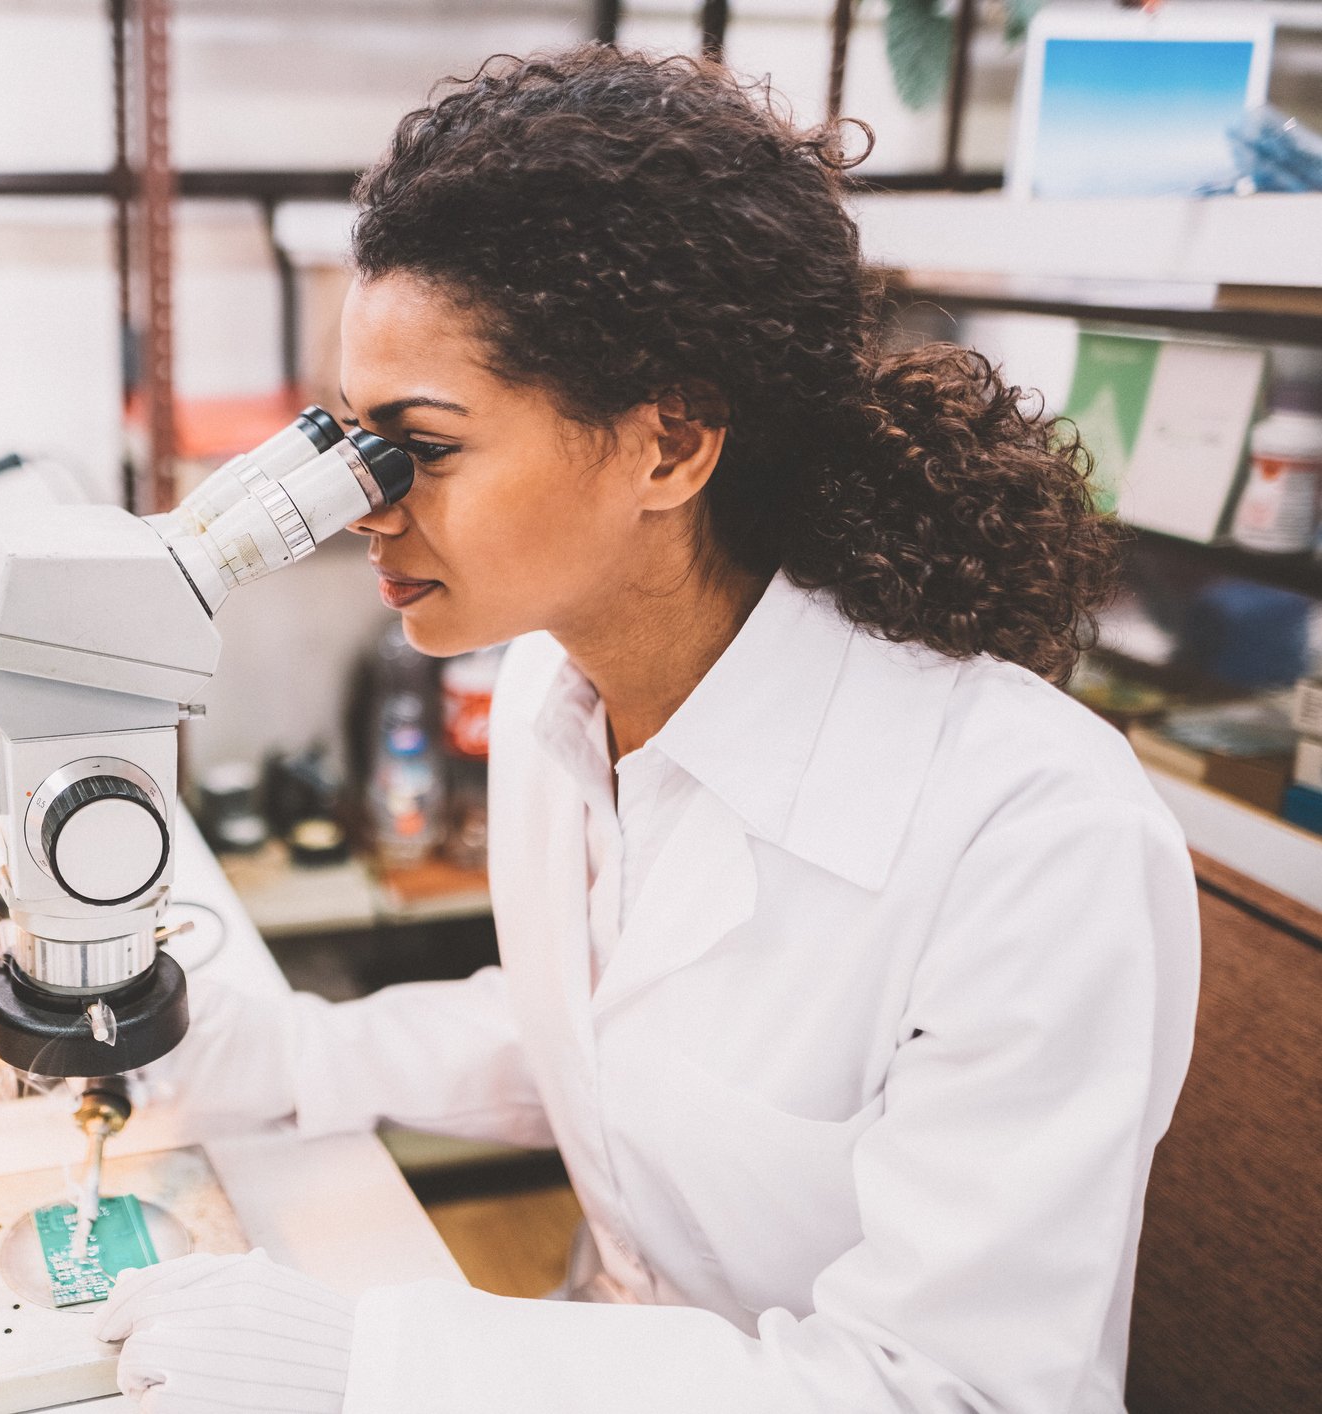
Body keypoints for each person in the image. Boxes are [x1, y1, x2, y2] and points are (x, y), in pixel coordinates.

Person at [94, 45, 1199, 1414]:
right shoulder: (567, 708)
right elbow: (606, 1039)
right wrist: (285, 1054)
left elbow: (943, 1391)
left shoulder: (1031, 836)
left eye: (419, 447)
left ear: (669, 446)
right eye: (347, 445)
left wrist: (383, 1361)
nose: (360, 505)